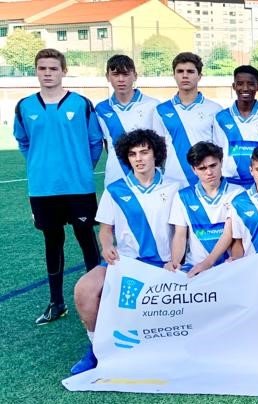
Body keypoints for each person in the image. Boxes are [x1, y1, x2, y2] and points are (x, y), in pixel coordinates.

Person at [70, 129, 178, 374]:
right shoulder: (116, 190)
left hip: (165, 263)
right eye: (132, 154)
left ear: (156, 154)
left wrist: (177, 259)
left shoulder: (174, 188)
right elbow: (106, 230)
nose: (139, 158)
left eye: (144, 152)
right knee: (84, 290)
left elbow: (182, 231)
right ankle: (97, 348)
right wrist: (107, 246)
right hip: (126, 262)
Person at [14, 48, 103, 324]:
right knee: (52, 243)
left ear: (64, 71)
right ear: (36, 71)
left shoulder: (80, 103)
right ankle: (56, 303)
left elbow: (95, 142)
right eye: (42, 68)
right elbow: (24, 142)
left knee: (87, 240)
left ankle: (101, 297)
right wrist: (42, 168)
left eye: (53, 68)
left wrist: (78, 168)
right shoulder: (25, 106)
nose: (48, 74)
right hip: (43, 190)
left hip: (78, 186)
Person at [165, 141, 244, 276]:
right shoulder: (183, 196)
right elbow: (180, 235)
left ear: (221, 162)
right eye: (202, 168)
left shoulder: (238, 193)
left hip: (227, 266)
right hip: (194, 267)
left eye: (213, 165)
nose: (209, 172)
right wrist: (175, 262)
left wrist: (234, 263)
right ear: (193, 170)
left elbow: (236, 237)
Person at [154, 52, 223, 188]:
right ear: (174, 75)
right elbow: (157, 150)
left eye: (190, 71)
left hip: (205, 182)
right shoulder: (161, 110)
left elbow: (220, 149)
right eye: (180, 71)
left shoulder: (215, 109)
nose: (185, 75)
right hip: (171, 182)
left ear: (199, 76)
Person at [96, 54, 160, 187]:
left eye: (125, 74)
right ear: (107, 77)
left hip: (147, 178)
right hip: (115, 177)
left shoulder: (153, 106)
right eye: (115, 74)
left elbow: (159, 144)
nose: (121, 79)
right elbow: (106, 144)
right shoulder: (101, 109)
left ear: (135, 76)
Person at [213, 65, 258, 189]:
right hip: (230, 182)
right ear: (234, 86)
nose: (245, 88)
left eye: (250, 84)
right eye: (240, 84)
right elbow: (217, 152)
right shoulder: (220, 118)